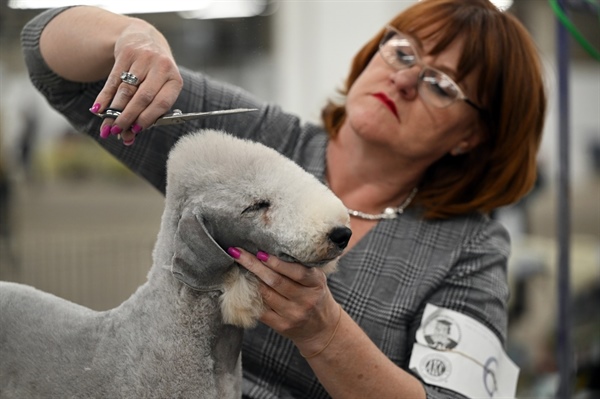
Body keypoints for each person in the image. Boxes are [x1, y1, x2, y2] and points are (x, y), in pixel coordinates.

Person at [21, 0, 546, 397]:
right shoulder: (263, 143)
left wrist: (325, 334)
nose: (404, 78)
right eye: (403, 52)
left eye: (441, 85)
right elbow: (49, 60)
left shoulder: (470, 245)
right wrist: (133, 35)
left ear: (471, 137)